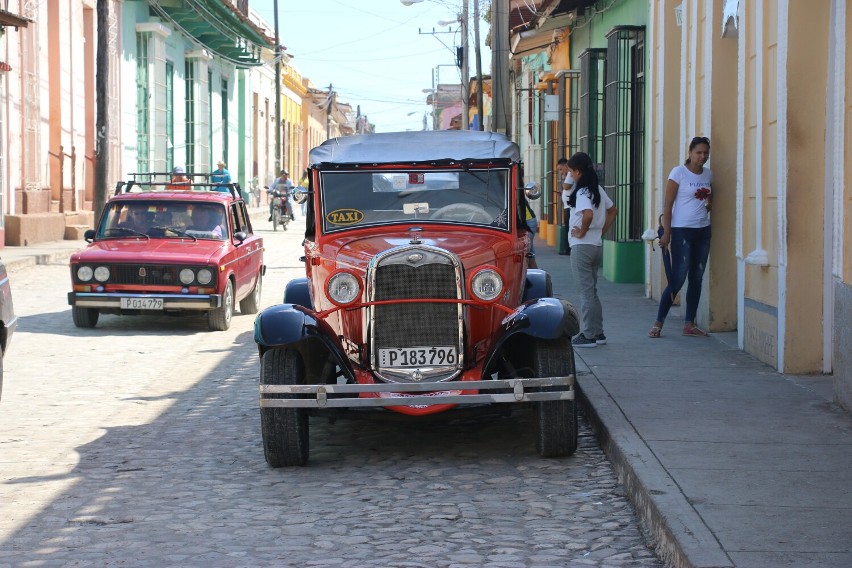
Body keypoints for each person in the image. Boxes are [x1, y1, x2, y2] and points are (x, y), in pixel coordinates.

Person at [649, 136, 713, 339]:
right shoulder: (678, 173)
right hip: (681, 231)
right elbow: (667, 205)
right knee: (677, 277)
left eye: (705, 153)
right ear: (690, 152)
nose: (702, 156)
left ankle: (690, 323)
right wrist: (667, 232)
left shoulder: (708, 174)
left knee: (697, 277)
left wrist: (708, 204)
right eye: (698, 152)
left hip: (702, 231)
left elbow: (709, 198)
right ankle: (658, 323)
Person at [566, 152, 618, 348]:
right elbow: (613, 210)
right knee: (592, 291)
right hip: (595, 245)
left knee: (585, 292)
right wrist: (600, 231)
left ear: (578, 171)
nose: (570, 175)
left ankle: (588, 335)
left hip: (581, 247)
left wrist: (582, 232)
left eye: (571, 171)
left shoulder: (581, 193)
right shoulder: (597, 189)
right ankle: (598, 332)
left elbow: (587, 214)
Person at [557, 157, 574, 255]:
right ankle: (568, 248)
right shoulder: (568, 174)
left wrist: (563, 183)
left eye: (561, 169)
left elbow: (567, 186)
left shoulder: (570, 174)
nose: (561, 172)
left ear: (565, 166)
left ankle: (568, 249)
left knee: (569, 228)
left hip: (570, 206)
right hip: (567, 205)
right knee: (567, 227)